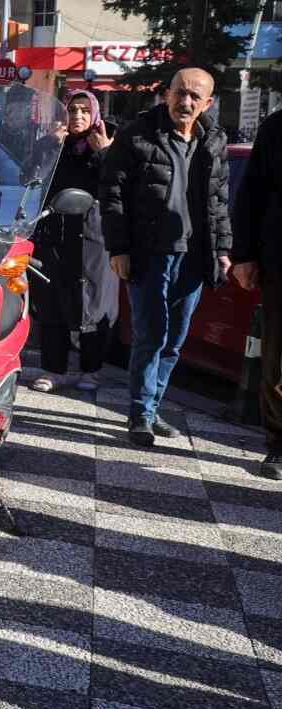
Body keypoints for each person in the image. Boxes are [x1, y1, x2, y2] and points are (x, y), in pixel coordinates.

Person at [100, 67, 232, 448]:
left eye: (195, 97)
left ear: (208, 103)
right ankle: (140, 413)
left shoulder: (213, 141)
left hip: (193, 256)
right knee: (150, 335)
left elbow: (219, 203)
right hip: (149, 254)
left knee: (175, 340)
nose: (185, 102)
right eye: (180, 93)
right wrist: (119, 248)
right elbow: (112, 195)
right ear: (167, 94)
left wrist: (222, 250)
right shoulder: (137, 134)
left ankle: (153, 405)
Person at [29, 90, 118, 393]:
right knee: (52, 300)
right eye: (72, 110)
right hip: (56, 234)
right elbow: (29, 177)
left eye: (83, 110)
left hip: (94, 237)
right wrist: (47, 147)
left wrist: (105, 152)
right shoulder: (56, 145)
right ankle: (53, 368)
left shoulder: (107, 143)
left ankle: (90, 369)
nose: (77, 116)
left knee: (93, 301)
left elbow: (120, 186)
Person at [231, 104, 282, 477]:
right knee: (278, 363)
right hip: (280, 263)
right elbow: (251, 196)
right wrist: (245, 255)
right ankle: (279, 443)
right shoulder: (276, 128)